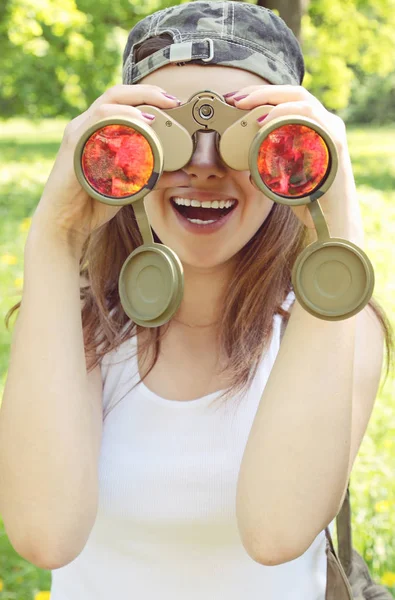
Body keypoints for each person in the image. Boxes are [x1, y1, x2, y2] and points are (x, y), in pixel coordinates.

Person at [1, 1, 393, 599]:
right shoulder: (82, 322)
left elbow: (276, 532)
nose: (205, 166)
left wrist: (334, 216)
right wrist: (55, 239)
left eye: (248, 135)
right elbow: (44, 533)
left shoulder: (332, 323)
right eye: (169, 135)